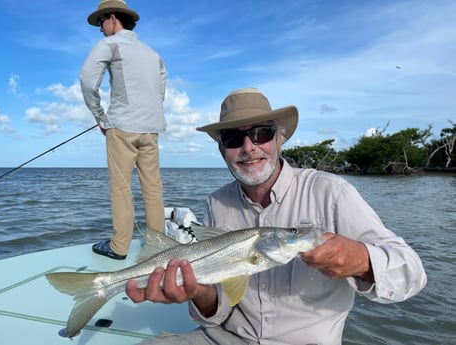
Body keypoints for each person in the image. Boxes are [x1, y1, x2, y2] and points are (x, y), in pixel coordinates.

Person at [126, 88, 427, 344]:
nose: (249, 147)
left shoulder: (332, 192)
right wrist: (197, 293)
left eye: (261, 133)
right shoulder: (217, 202)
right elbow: (221, 305)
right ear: (221, 150)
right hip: (223, 337)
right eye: (233, 138)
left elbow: (412, 274)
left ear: (279, 140)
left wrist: (361, 260)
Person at [80, 0, 166, 260]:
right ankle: (157, 247)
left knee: (121, 188)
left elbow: (87, 80)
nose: (100, 29)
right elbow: (161, 87)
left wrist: (100, 117)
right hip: (150, 129)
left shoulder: (109, 44)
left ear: (113, 18)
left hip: (122, 127)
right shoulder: (153, 53)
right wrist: (150, 113)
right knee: (153, 189)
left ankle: (119, 247)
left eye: (101, 22)